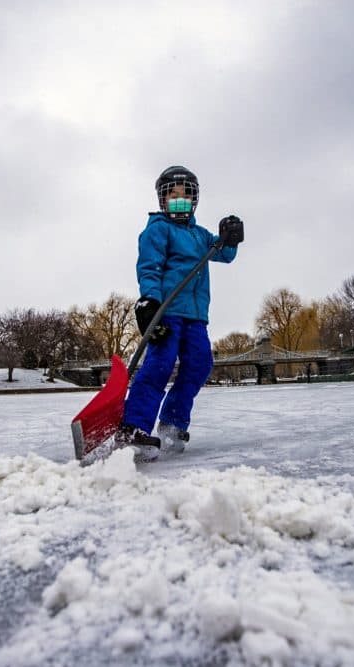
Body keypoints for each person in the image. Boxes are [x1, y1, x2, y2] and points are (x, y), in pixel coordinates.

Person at [115, 166, 244, 461]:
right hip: (168, 312)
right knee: (160, 364)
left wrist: (231, 235)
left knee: (199, 363)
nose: (179, 199)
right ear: (162, 200)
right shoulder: (158, 229)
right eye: (172, 194)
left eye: (185, 194)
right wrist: (150, 303)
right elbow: (150, 267)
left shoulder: (200, 236)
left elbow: (223, 252)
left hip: (196, 317)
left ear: (194, 199)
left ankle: (173, 422)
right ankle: (134, 426)